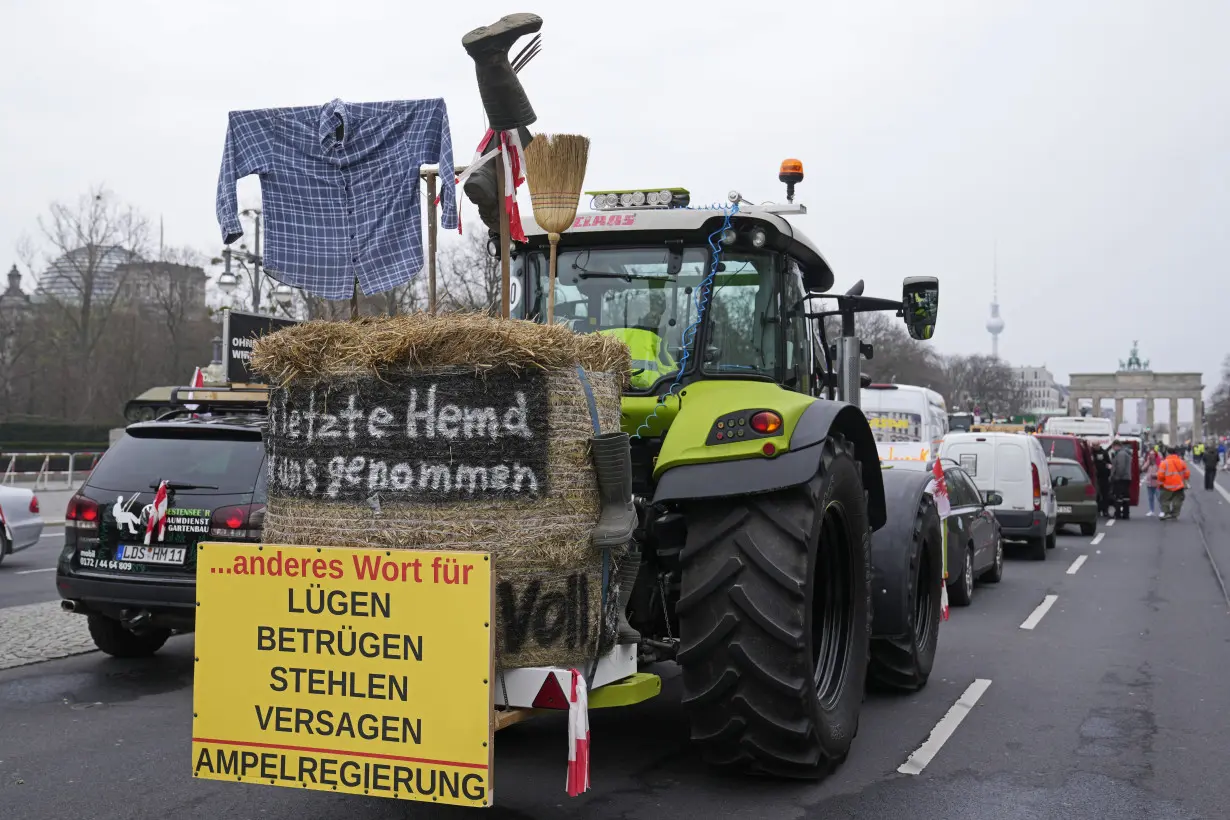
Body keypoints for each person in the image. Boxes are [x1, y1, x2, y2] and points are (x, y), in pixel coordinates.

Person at [1157, 447, 1191, 520]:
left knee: (1165, 500)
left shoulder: (1164, 462)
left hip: (1167, 485)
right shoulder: (1181, 462)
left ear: (1167, 453)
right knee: (1178, 500)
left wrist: (1160, 483)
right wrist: (1184, 480)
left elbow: (1160, 475)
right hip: (1179, 485)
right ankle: (1175, 513)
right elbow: (1187, 473)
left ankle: (1166, 513)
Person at [1109, 441, 1134, 519]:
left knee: (1118, 497)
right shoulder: (1126, 453)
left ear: (1116, 446)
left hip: (1121, 478)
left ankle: (1118, 513)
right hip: (1126, 478)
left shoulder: (1121, 454)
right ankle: (1125, 513)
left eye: (1113, 447)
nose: (1113, 449)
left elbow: (1121, 467)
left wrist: (1116, 476)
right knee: (1125, 497)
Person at [1091, 443, 1113, 518]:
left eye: (1095, 445)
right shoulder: (1091, 452)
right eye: (1093, 445)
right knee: (1096, 495)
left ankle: (1105, 511)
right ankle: (1097, 510)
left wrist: (1108, 468)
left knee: (1105, 495)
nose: (1094, 447)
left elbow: (1109, 463)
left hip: (1104, 477)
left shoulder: (1104, 452)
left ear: (1098, 445)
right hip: (1095, 477)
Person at [1143, 449, 1161, 517]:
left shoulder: (1158, 462)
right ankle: (1151, 510)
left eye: (1153, 454)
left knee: (1159, 497)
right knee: (1150, 498)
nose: (1151, 455)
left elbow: (1161, 471)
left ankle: (1162, 511)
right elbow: (1143, 469)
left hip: (1157, 482)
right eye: (1150, 454)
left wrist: (1155, 474)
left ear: (1155, 455)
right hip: (1149, 483)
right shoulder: (1148, 462)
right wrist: (1147, 461)